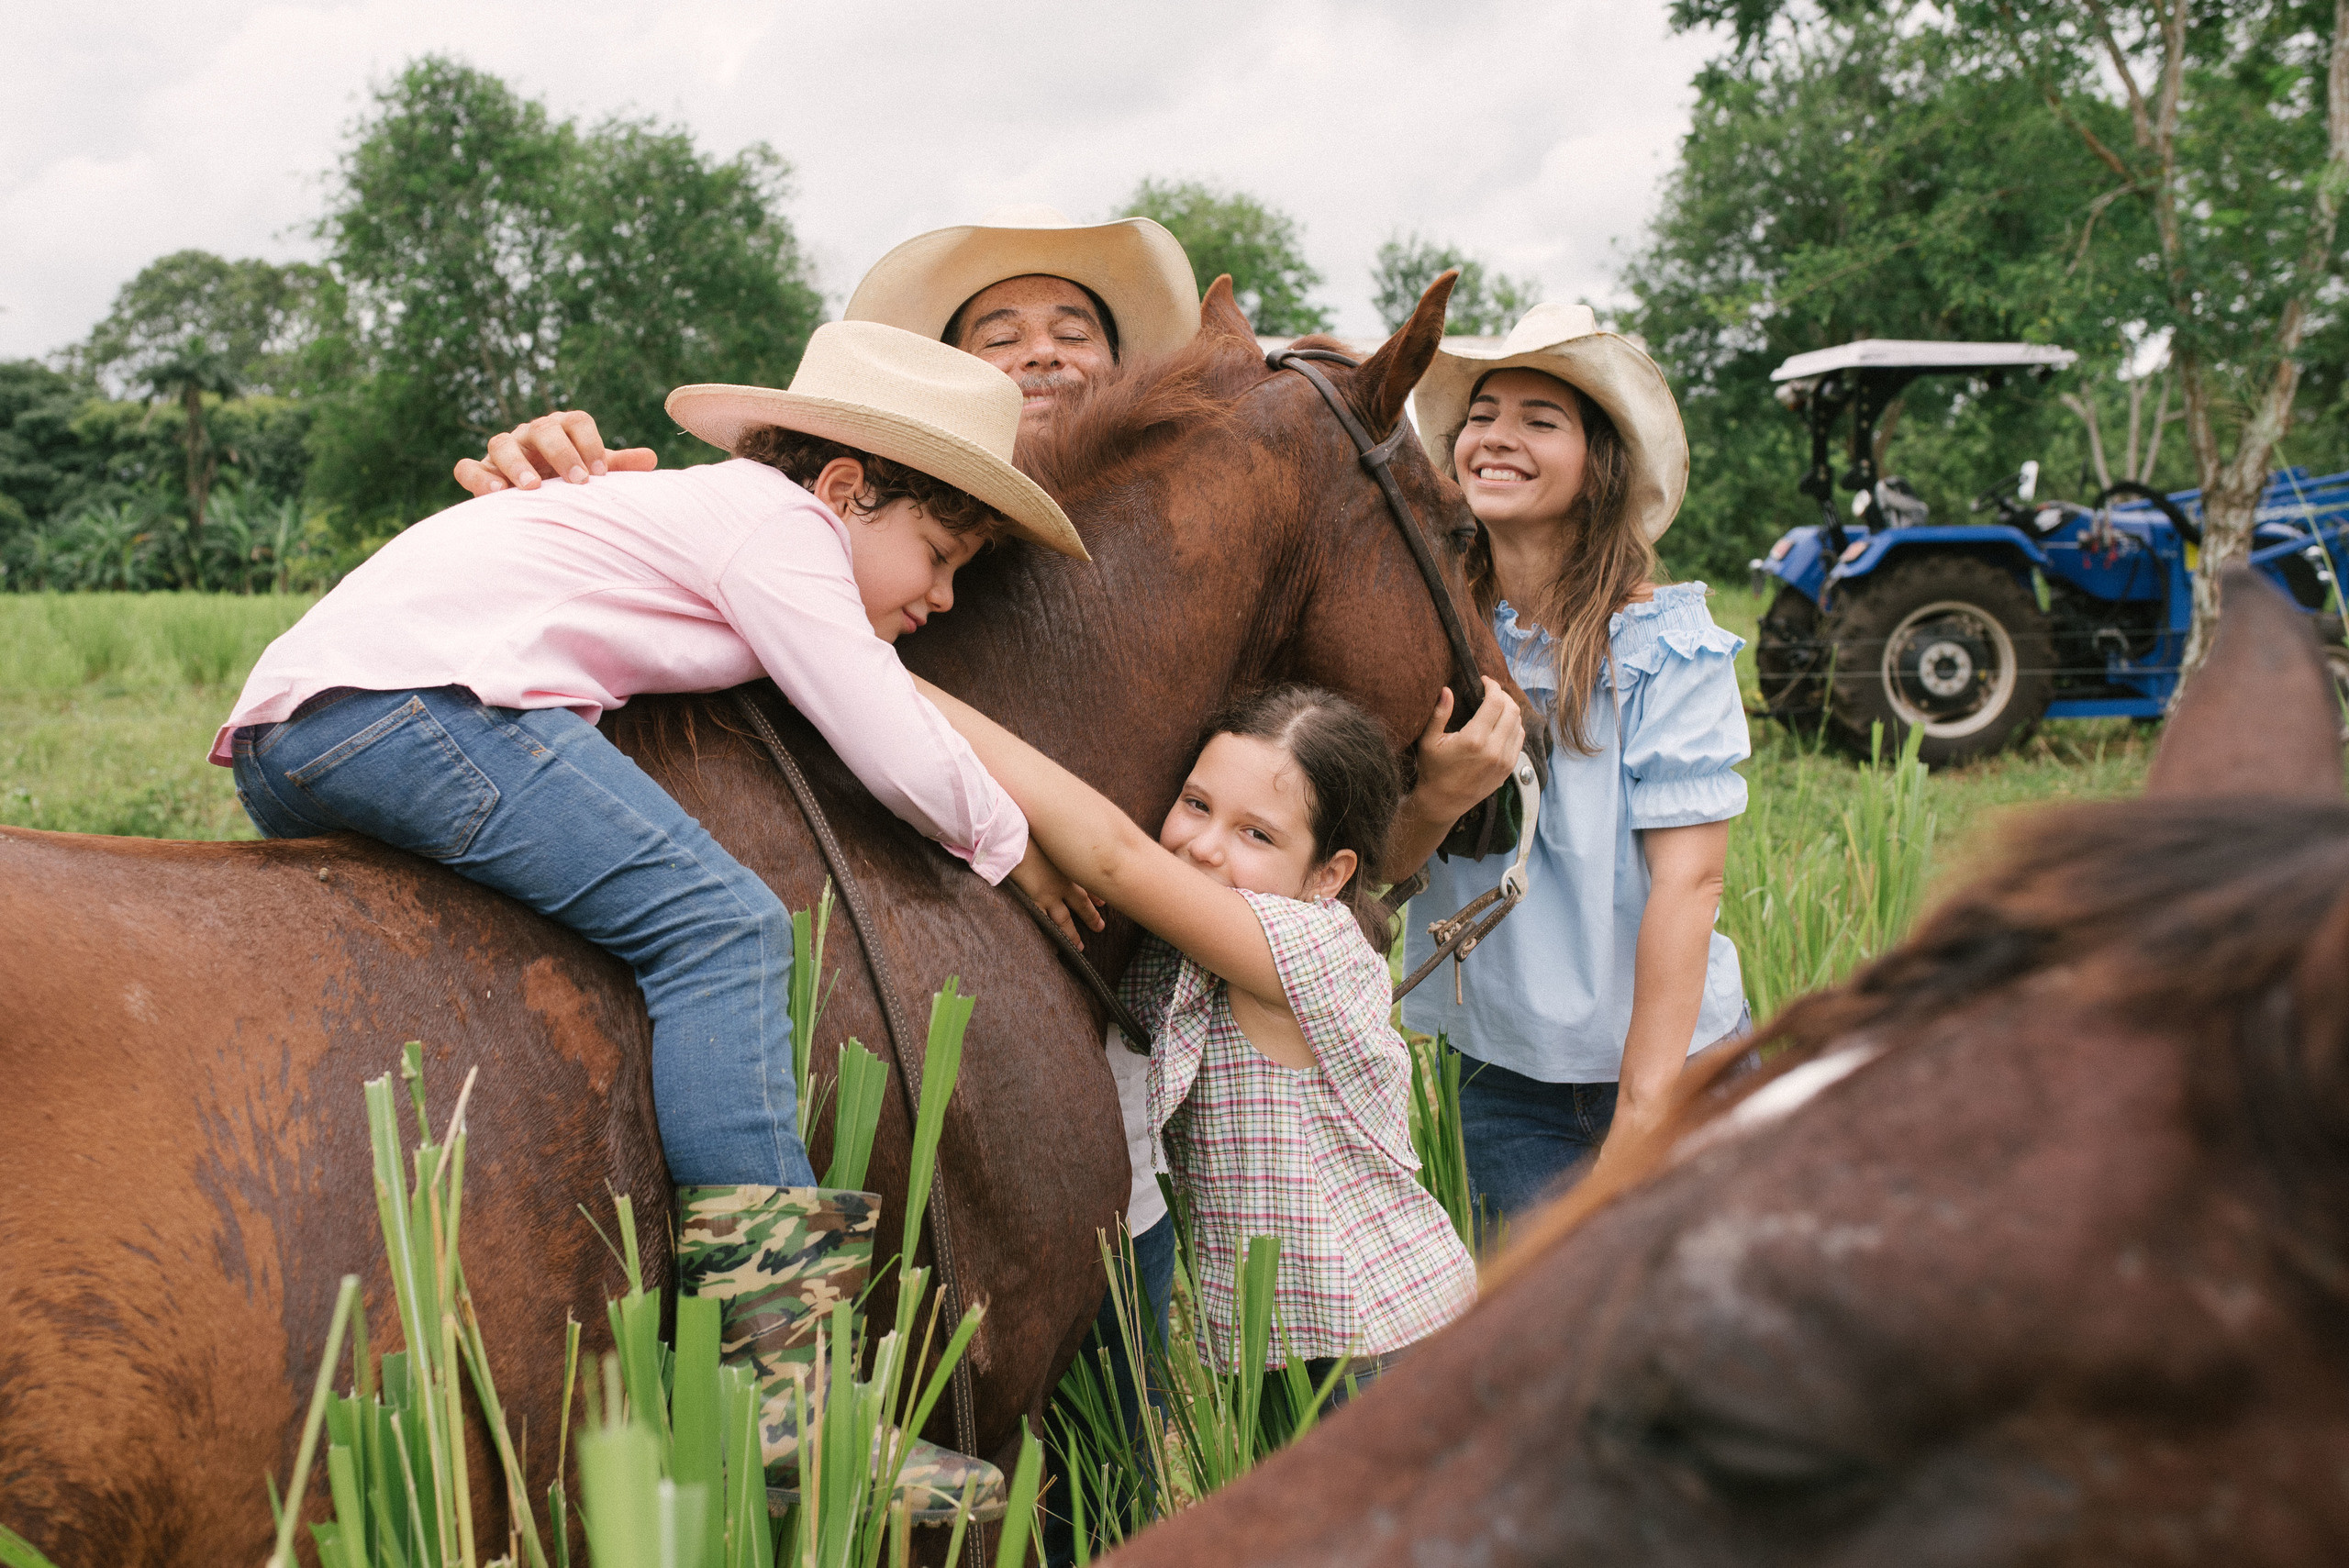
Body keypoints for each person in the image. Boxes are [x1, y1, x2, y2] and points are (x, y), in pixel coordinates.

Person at [212, 320, 1101, 1522]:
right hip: (406, 707)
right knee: (728, 930)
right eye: (938, 554)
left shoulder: (713, 519)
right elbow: (888, 740)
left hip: (308, 726)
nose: (941, 597)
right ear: (845, 488)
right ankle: (795, 1394)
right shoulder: (780, 528)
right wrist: (1017, 850)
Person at [915, 677, 1478, 1393]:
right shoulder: (1187, 956)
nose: (1204, 847)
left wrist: (886, 677)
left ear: (1329, 875)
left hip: (1386, 1342)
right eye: (1195, 804)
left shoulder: (1314, 950)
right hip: (1293, 1354)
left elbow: (1117, 858)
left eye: (1256, 833)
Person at [1389, 301, 1751, 1227]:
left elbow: (1689, 882)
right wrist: (1435, 792)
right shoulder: (1425, 639)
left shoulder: (1658, 643)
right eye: (1481, 413)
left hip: (1677, 1067)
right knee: (1551, 1351)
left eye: (1538, 420)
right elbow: (1385, 865)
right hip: (1508, 1076)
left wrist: (1640, 1119)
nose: (1496, 436)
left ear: (1598, 465)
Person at [451, 206, 1199, 493]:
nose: (1042, 354)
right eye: (1000, 338)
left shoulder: (1184, 514)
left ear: (1124, 371)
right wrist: (560, 478)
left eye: (1072, 334)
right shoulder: (860, 502)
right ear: (944, 378)